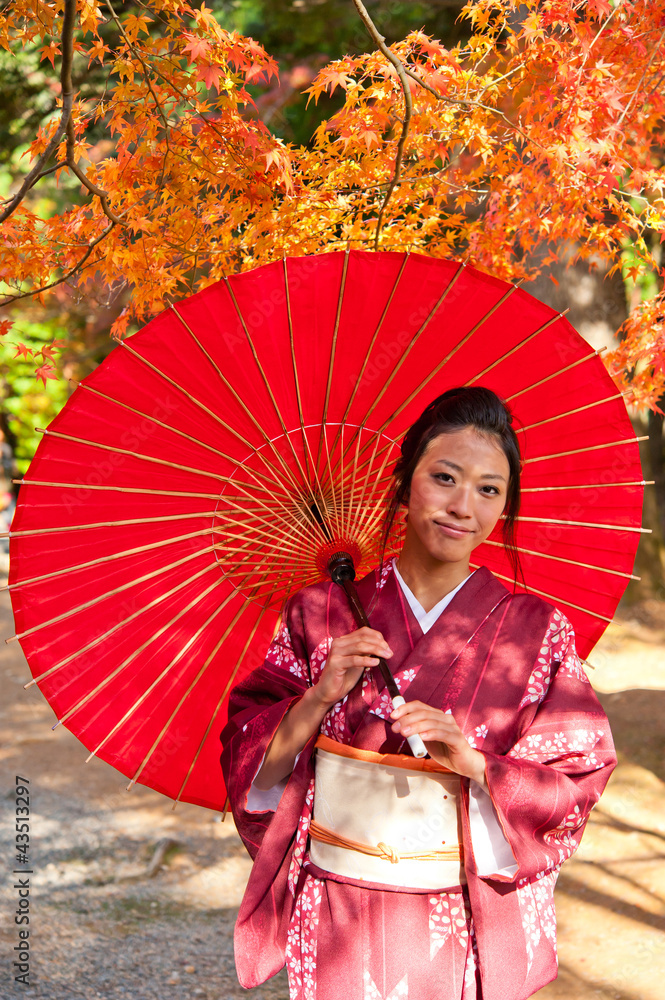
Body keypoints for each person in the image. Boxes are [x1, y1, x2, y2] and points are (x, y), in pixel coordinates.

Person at [220, 386, 617, 1000]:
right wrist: (318, 696)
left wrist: (476, 764)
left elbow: (576, 780)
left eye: (489, 489)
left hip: (459, 907)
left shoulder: (538, 629)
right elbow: (249, 760)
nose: (464, 506)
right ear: (404, 485)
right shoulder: (318, 610)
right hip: (335, 905)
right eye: (445, 478)